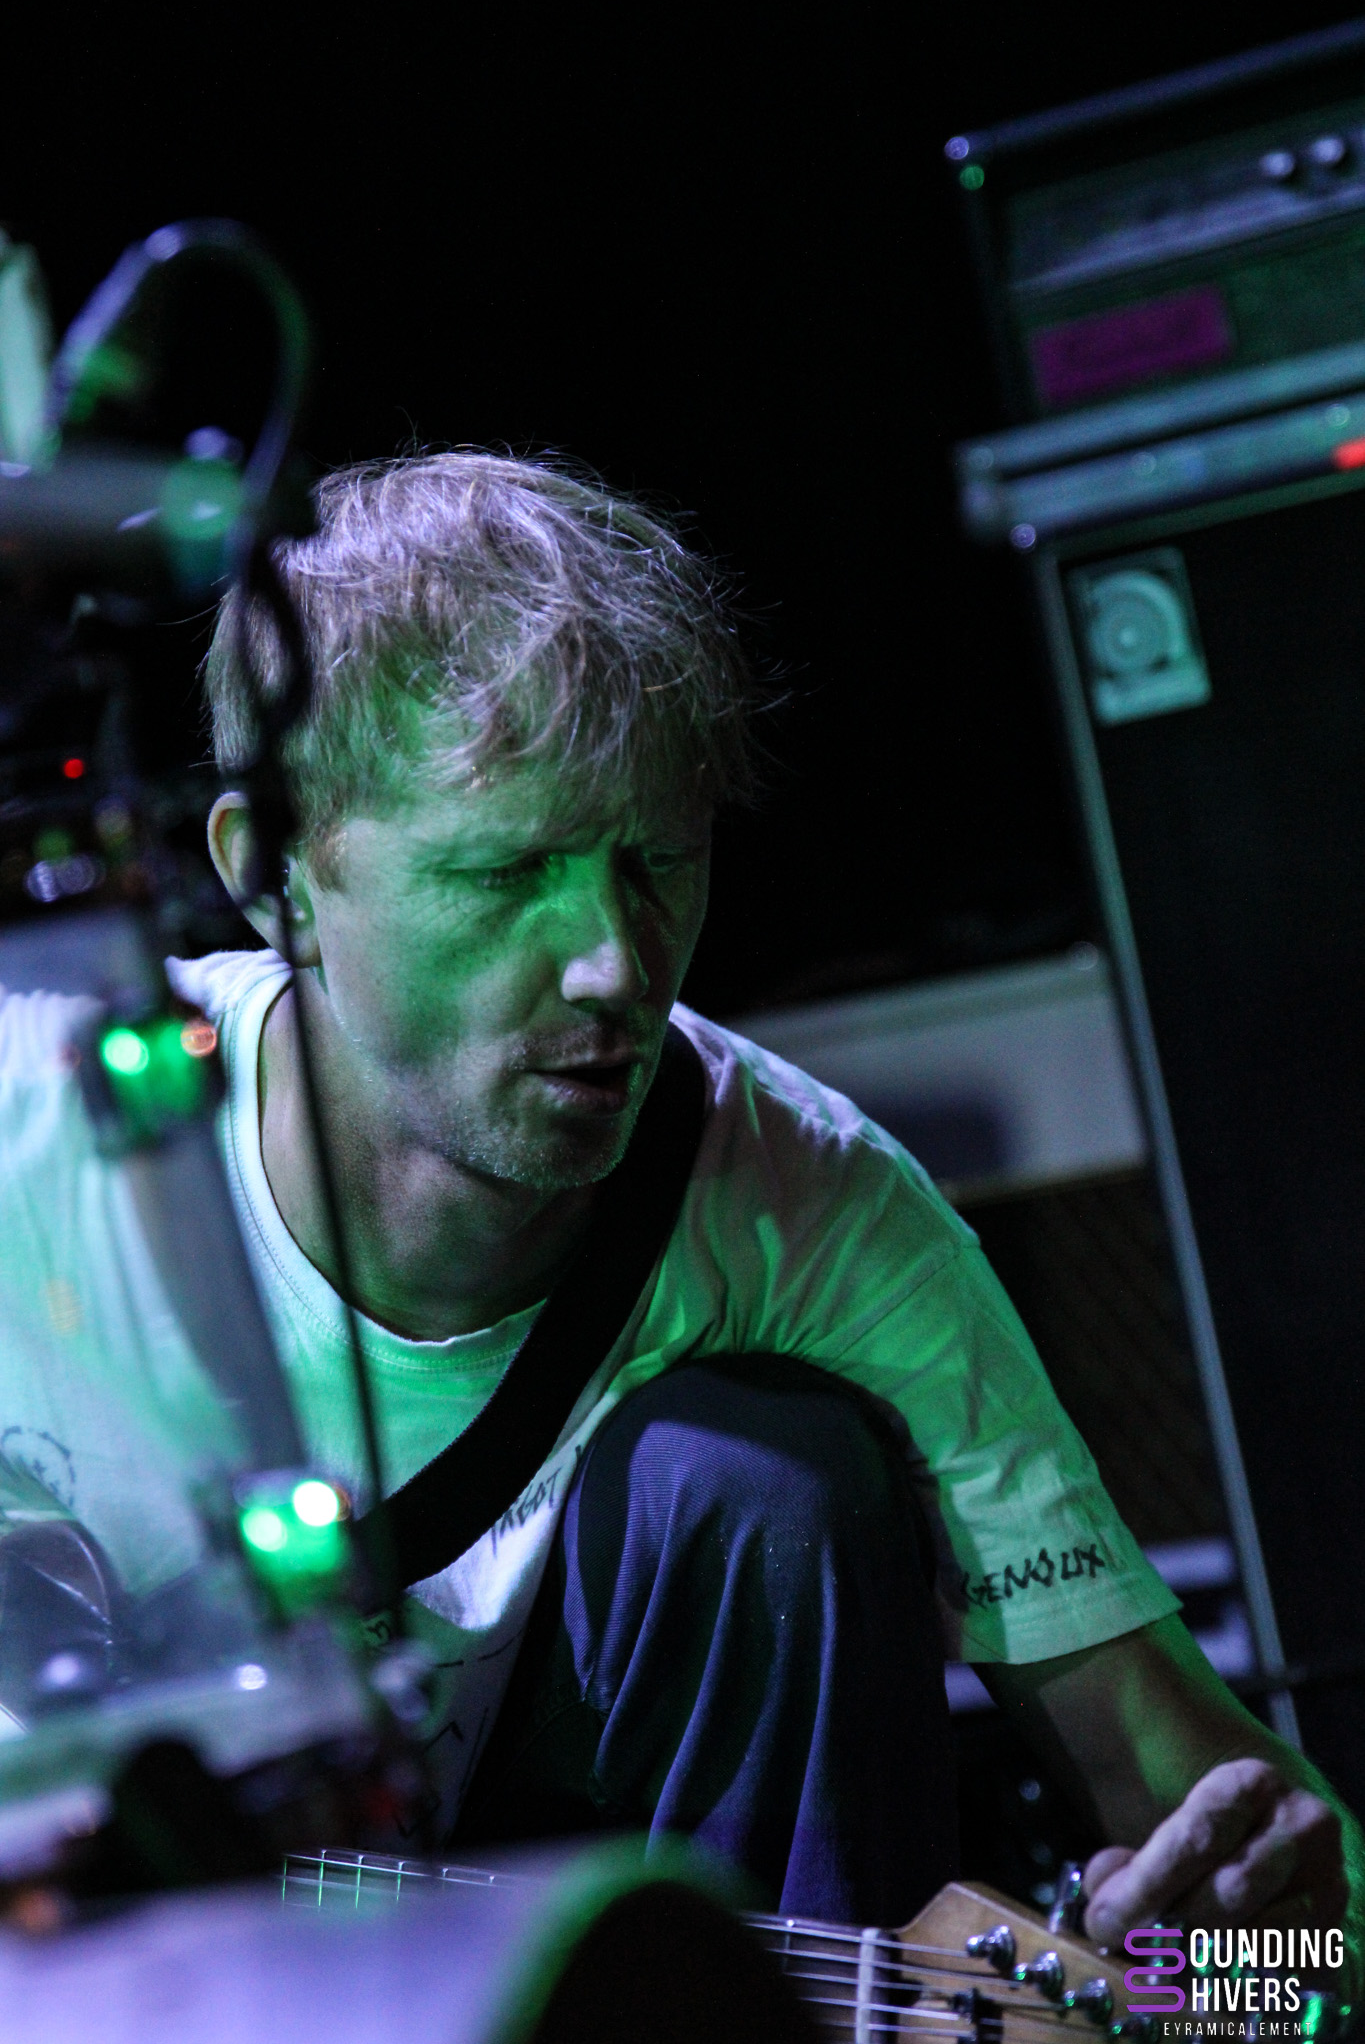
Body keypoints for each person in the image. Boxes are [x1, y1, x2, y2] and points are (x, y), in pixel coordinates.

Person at [0, 452, 1358, 1964]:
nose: (614, 965)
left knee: (757, 1484)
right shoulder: (30, 1127)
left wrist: (1277, 1955)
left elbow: (1224, 1847)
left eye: (654, 860)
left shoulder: (814, 1202)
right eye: (509, 871)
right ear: (274, 878)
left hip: (589, 1967)